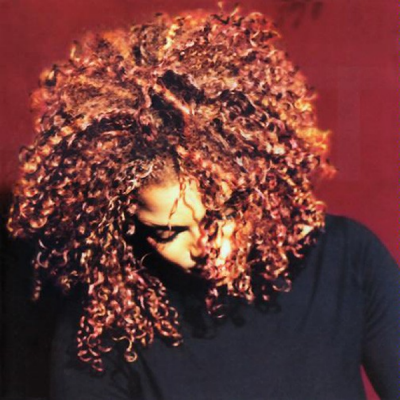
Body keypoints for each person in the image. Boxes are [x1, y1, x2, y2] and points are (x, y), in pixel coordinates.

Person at [7, 9, 399, 400]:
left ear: (257, 181)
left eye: (226, 213)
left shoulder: (347, 262)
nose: (208, 247)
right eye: (169, 232)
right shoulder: (100, 331)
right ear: (124, 222)